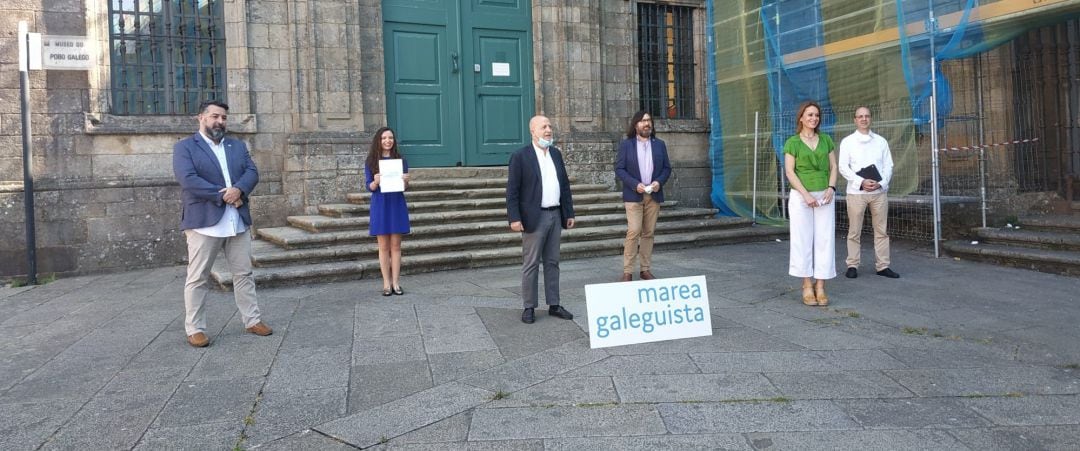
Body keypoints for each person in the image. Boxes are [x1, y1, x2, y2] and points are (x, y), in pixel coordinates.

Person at [172, 99, 270, 348]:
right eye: (215, 116)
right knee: (198, 277)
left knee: (244, 274)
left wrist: (239, 189)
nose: (220, 122)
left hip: (236, 219)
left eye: (224, 118)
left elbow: (252, 172)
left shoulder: (236, 145)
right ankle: (195, 328)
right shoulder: (185, 148)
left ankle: (252, 320)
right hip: (205, 221)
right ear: (201, 118)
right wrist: (223, 194)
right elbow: (188, 179)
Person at [506, 115, 576, 324]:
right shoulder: (520, 156)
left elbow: (564, 186)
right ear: (533, 131)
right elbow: (512, 191)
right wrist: (514, 218)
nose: (548, 130)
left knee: (553, 262)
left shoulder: (555, 154)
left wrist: (569, 212)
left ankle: (554, 304)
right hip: (534, 217)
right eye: (543, 127)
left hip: (555, 214)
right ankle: (529, 306)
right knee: (531, 263)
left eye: (550, 126)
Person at [784, 101, 838, 307]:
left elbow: (834, 166)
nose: (813, 118)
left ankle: (821, 285)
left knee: (825, 239)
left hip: (824, 195)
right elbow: (790, 171)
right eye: (809, 115)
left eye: (816, 115)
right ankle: (806, 285)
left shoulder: (826, 140)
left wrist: (831, 188)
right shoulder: (793, 143)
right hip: (801, 196)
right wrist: (805, 195)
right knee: (802, 239)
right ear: (801, 118)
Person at [839, 107, 899, 279]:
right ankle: (852, 265)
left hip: (879, 193)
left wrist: (881, 183)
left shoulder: (881, 141)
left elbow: (889, 165)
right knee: (854, 231)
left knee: (881, 230)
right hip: (856, 193)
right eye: (860, 116)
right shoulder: (848, 142)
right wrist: (861, 181)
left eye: (866, 116)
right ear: (855, 120)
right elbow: (843, 166)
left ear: (870, 118)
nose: (864, 119)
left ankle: (883, 266)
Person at [614, 111, 672, 282]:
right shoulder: (627, 145)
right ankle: (627, 271)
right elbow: (620, 169)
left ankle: (645, 270)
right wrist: (634, 184)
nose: (646, 124)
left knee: (648, 233)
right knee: (634, 231)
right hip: (633, 195)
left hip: (653, 195)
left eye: (648, 120)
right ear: (636, 125)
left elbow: (667, 169)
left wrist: (658, 183)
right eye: (642, 121)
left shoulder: (660, 144)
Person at [365, 127, 411, 296]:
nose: (388, 141)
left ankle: (396, 283)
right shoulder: (371, 161)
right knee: (383, 246)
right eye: (384, 138)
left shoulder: (400, 160)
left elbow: (405, 187)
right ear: (379, 140)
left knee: (396, 246)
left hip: (396, 203)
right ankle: (386, 283)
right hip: (380, 204)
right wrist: (375, 182)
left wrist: (406, 181)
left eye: (390, 137)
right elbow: (368, 186)